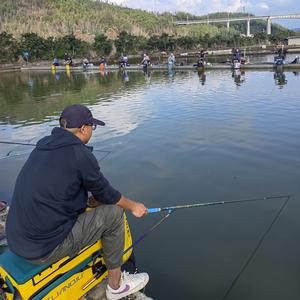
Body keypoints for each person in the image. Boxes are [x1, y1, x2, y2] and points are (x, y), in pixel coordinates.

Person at [6, 104, 149, 300]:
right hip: (42, 249)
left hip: (15, 238)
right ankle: (116, 286)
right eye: (92, 126)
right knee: (115, 213)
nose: (92, 130)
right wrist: (134, 207)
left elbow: (62, 186)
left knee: (96, 206)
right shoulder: (80, 155)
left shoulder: (44, 145)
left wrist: (92, 201)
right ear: (83, 128)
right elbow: (108, 194)